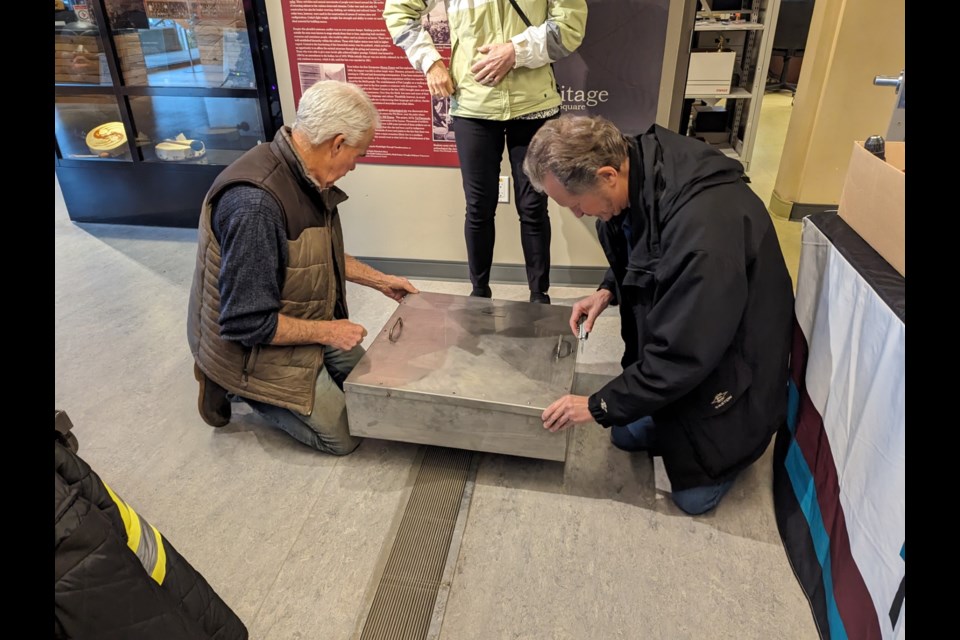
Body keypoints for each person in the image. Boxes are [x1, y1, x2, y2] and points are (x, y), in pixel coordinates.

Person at [526, 115, 794, 515]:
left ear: (607, 175)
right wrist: (608, 289)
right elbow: (648, 245)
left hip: (734, 366)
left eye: (577, 204)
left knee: (692, 498)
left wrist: (596, 405)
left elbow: (683, 352)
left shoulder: (704, 233)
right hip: (700, 332)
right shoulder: (637, 165)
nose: (578, 215)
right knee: (623, 433)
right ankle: (664, 417)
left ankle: (731, 454)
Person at [187, 80, 419, 455]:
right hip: (249, 345)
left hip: (298, 316)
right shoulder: (255, 206)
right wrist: (329, 332)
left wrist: (380, 281)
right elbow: (245, 322)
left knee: (373, 389)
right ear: (337, 143)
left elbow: (310, 254)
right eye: (358, 154)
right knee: (345, 435)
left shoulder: (301, 170)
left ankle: (302, 377)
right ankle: (229, 382)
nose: (355, 166)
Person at [384, 0, 588, 303]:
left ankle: (538, 295)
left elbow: (570, 24)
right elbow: (398, 11)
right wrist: (430, 62)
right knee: (479, 207)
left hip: (534, 104)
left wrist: (515, 51)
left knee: (533, 207)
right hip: (473, 106)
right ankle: (478, 294)